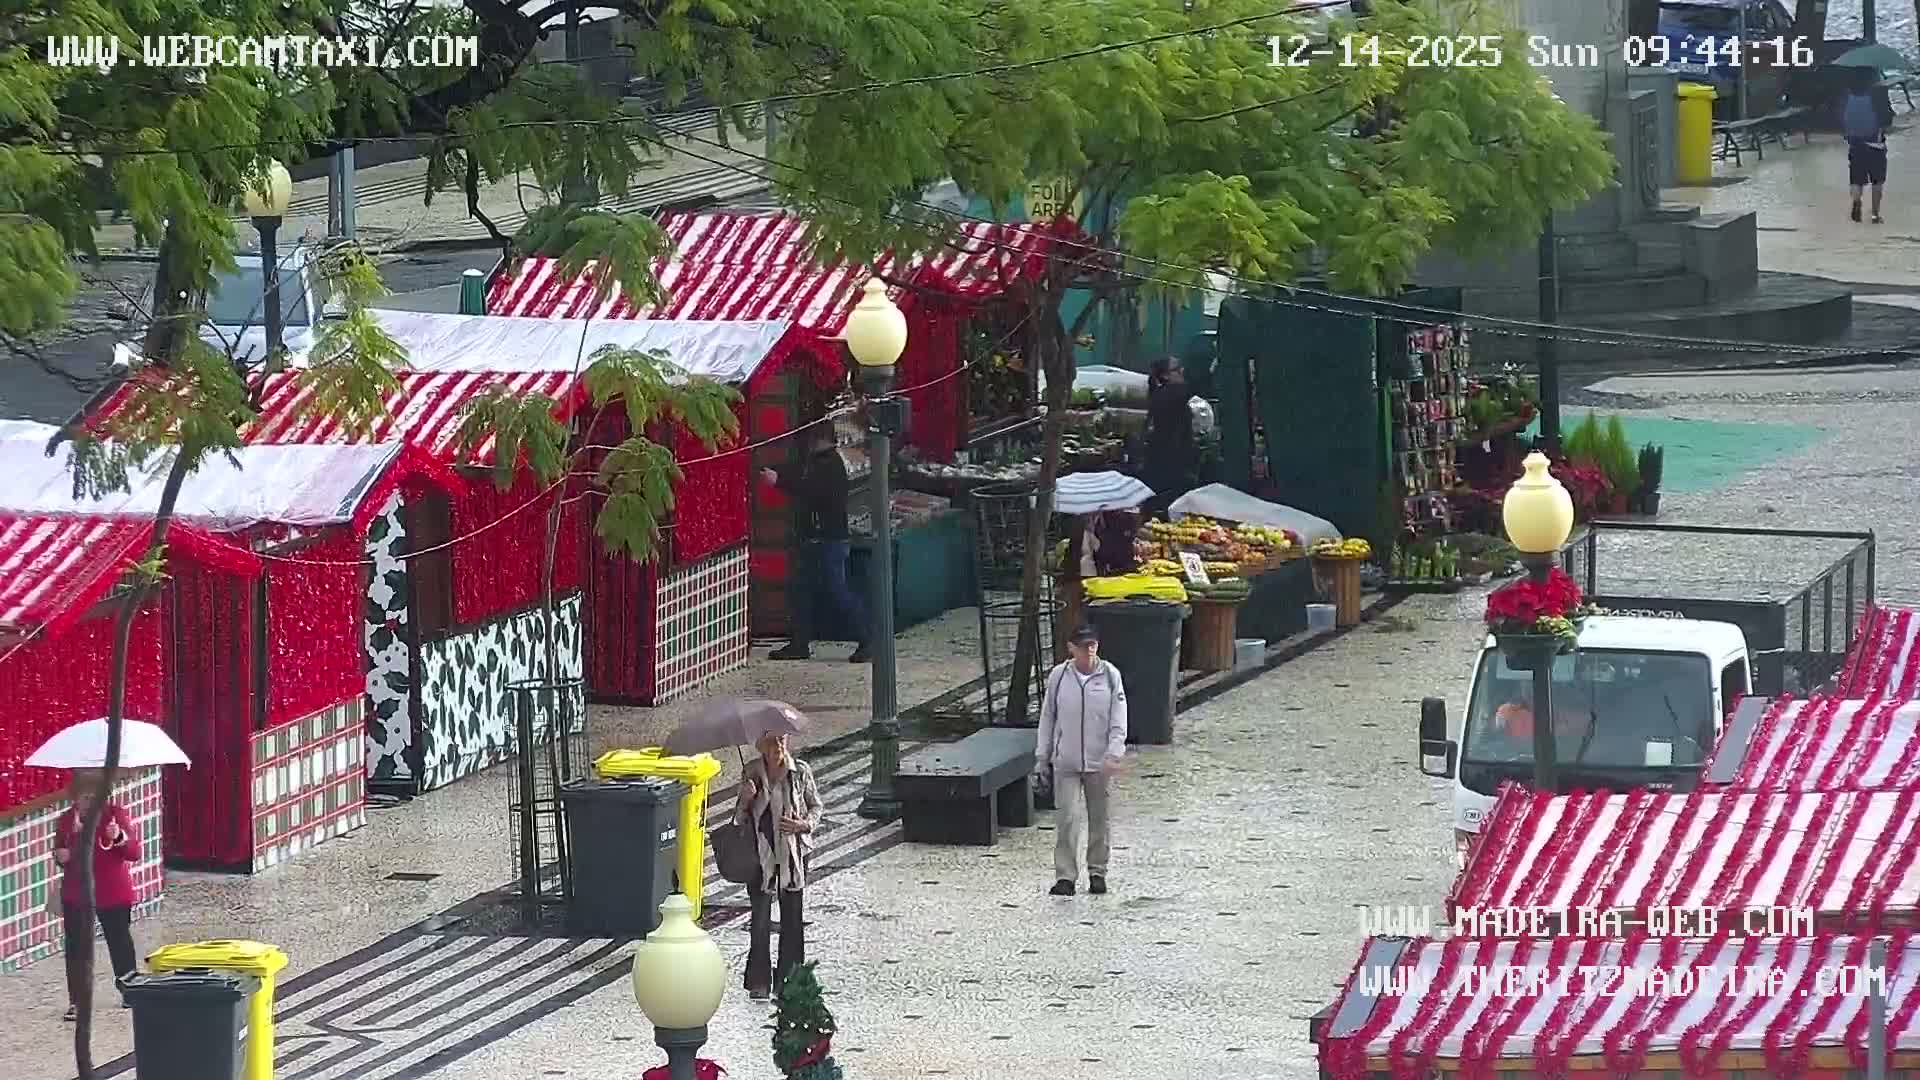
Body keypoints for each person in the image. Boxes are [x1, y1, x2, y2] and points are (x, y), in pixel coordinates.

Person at [1036, 625, 1128, 897]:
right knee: (1067, 818)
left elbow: (1118, 718)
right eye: (1083, 646)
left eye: (1092, 645)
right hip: (1066, 761)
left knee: (1100, 819)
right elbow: (1048, 717)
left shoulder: (1110, 675)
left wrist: (1114, 753)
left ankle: (1098, 872)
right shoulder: (1059, 676)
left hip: (1099, 763)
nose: (1088, 651)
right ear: (1071, 648)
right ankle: (1065, 876)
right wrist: (1042, 756)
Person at [762, 429, 868, 663]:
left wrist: (779, 481)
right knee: (801, 590)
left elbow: (811, 489)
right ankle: (800, 643)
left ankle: (868, 638)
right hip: (817, 538)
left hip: (830, 539)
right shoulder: (818, 461)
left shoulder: (829, 465)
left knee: (837, 591)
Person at [735, 730, 824, 1000]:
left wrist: (803, 825)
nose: (778, 746)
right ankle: (759, 981)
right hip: (760, 854)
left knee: (792, 919)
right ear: (762, 747)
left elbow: (816, 807)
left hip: (793, 854)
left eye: (782, 740)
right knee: (760, 919)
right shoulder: (751, 772)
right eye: (772, 741)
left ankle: (790, 980)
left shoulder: (800, 771)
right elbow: (739, 818)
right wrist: (746, 799)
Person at [50, 769, 141, 1021]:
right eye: (83, 797)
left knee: (119, 942)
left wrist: (118, 836)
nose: (87, 802)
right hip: (77, 893)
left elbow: (134, 852)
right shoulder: (67, 820)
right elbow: (60, 850)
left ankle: (130, 990)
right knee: (77, 948)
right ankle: (78, 1001)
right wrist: (61, 855)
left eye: (93, 797)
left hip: (112, 892)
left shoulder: (114, 816)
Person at [1143, 357, 1196, 516]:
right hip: (1172, 458)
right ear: (1165, 375)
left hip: (1162, 456)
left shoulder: (1160, 394)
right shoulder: (1173, 394)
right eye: (1177, 369)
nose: (1182, 371)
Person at [1841, 69, 1895, 224]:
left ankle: (1856, 201)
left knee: (1856, 180)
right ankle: (1875, 215)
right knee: (1877, 182)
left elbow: (1842, 120)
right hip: (1875, 146)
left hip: (1855, 145)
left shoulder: (1846, 96)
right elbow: (1887, 121)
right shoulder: (1878, 95)